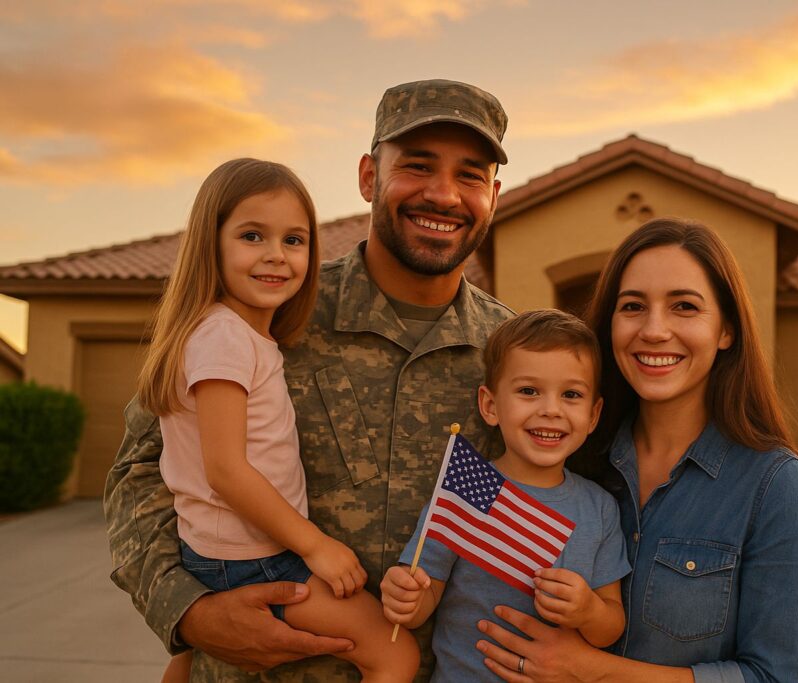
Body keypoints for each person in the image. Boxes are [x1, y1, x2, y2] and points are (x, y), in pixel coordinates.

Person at [104, 79, 515, 682]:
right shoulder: (268, 312)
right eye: (418, 166)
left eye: (471, 175)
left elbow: (532, 498)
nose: (443, 194)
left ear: (494, 196)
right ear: (369, 176)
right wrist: (187, 612)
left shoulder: (514, 358)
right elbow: (140, 472)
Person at [475, 218, 798, 682]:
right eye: (633, 306)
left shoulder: (778, 487)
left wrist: (590, 670)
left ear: (726, 330)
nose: (654, 330)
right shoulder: (569, 456)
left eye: (684, 306)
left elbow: (777, 677)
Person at [140, 158, 419, 683]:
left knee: (187, 660)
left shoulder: (232, 333)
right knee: (394, 654)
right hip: (254, 558)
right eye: (252, 236)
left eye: (294, 240)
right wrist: (317, 546)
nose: (276, 256)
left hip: (218, 550)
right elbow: (225, 469)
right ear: (210, 243)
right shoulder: (224, 338)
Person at [381, 309, 631, 682]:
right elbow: (423, 598)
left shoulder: (599, 508)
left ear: (593, 415)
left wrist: (587, 611)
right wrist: (406, 598)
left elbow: (611, 625)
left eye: (571, 394)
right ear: (491, 405)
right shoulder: (467, 487)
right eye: (528, 391)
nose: (550, 410)